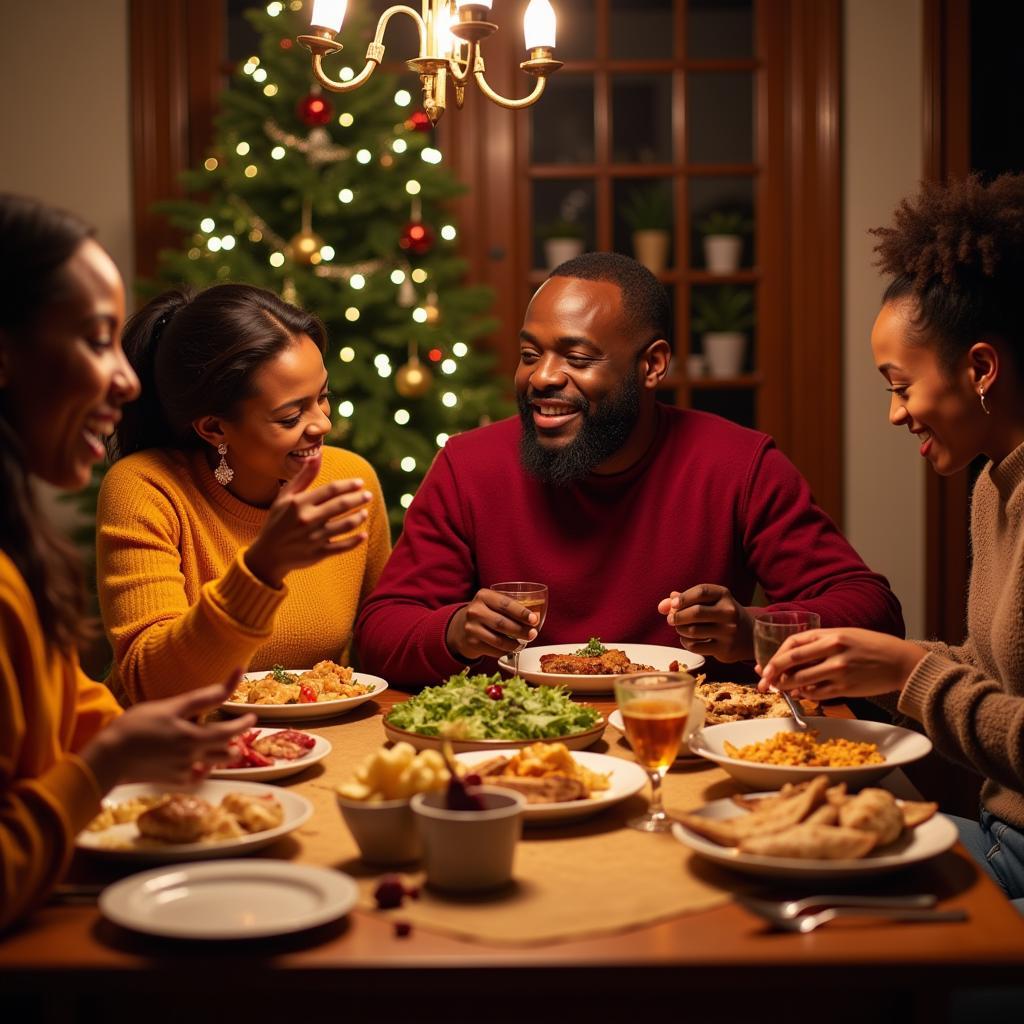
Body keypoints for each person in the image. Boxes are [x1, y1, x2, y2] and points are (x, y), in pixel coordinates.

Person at [355, 251, 903, 686]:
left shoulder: (738, 464)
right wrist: (454, 631)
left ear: (652, 365)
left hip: (686, 745)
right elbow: (379, 633)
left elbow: (874, 613)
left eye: (577, 357)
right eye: (529, 355)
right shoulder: (469, 466)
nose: (542, 377)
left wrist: (749, 630)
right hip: (519, 744)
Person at [760, 174, 1024, 911]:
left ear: (979, 369)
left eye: (899, 385)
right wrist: (873, 669)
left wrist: (910, 672)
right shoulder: (994, 487)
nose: (894, 412)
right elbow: (1000, 672)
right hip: (1000, 841)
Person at [0, 194, 256, 930]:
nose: (129, 380)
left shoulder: (19, 549)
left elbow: (78, 712)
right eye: (95, 340)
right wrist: (106, 764)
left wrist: (139, 744)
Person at [97, 283, 391, 703]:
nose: (322, 424)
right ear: (214, 428)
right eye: (291, 416)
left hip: (321, 747)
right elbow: (153, 683)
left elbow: (381, 639)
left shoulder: (349, 478)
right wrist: (263, 567)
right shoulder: (146, 487)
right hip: (175, 751)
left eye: (323, 397)